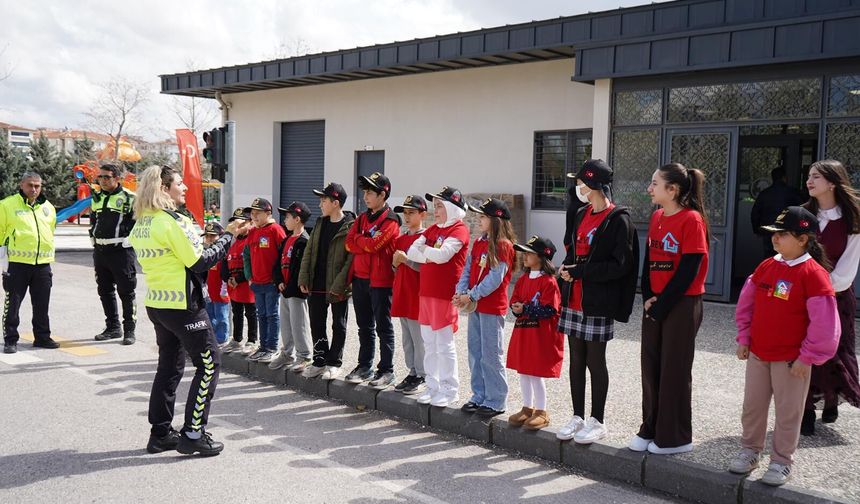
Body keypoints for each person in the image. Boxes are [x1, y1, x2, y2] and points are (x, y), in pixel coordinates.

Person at [129, 165, 240, 456]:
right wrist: (228, 237)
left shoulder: (142, 221)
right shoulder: (171, 221)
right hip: (183, 306)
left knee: (169, 367)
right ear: (164, 189)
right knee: (209, 364)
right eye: (180, 183)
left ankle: (161, 433)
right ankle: (193, 433)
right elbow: (200, 261)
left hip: (158, 304)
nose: (186, 188)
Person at [729, 206, 839, 486]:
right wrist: (744, 337)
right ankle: (750, 451)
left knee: (789, 413)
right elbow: (746, 305)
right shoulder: (767, 266)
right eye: (774, 234)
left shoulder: (813, 274)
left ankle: (781, 462)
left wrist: (808, 357)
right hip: (759, 353)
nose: (775, 239)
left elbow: (824, 324)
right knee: (752, 407)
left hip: (792, 359)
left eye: (783, 234)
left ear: (803, 239)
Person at [556, 159, 639, 444]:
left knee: (595, 361)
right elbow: (572, 250)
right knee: (576, 359)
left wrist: (580, 271)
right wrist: (566, 271)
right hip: (575, 298)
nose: (577, 187)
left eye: (580, 182)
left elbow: (620, 266)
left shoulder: (619, 219)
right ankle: (577, 416)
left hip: (597, 300)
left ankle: (597, 420)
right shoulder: (580, 213)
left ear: (591, 185)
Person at [631, 162, 710, 455]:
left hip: (681, 303)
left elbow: (689, 268)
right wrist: (648, 297)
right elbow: (650, 261)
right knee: (650, 365)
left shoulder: (692, 220)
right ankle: (650, 427)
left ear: (672, 189)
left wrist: (662, 305)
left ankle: (674, 436)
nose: (649, 189)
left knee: (674, 369)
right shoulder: (656, 217)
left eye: (655, 184)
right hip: (657, 303)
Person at [801, 159, 860, 435]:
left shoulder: (852, 219)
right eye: (809, 176)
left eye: (816, 177)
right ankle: (805, 410)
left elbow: (848, 266)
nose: (809, 181)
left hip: (837, 296)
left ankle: (831, 399)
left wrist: (822, 288)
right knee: (804, 350)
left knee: (835, 351)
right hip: (803, 297)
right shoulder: (801, 214)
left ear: (833, 182)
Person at [407, 186, 470, 407]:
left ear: (453, 208)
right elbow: (411, 252)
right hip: (426, 293)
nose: (436, 210)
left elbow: (443, 256)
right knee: (429, 343)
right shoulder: (433, 229)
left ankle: (449, 388)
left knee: (444, 344)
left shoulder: (460, 230)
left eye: (441, 206)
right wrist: (428, 253)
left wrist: (425, 251)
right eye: (435, 206)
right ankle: (432, 386)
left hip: (445, 294)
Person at [455, 198, 516, 417]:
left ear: (495, 220)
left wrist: (471, 295)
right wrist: (461, 291)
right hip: (475, 305)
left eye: (482, 216)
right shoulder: (479, 242)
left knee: (491, 354)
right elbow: (467, 269)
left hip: (491, 307)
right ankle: (479, 395)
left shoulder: (504, 246)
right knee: (475, 352)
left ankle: (496, 399)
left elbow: (495, 278)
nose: (478, 219)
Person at [344, 172, 401, 389]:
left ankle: (386, 370)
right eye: (365, 192)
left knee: (383, 327)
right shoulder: (361, 218)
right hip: (359, 279)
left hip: (380, 281)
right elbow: (348, 243)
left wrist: (362, 242)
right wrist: (363, 241)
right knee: (364, 326)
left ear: (382, 194)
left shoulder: (391, 220)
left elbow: (374, 246)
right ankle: (364, 366)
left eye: (370, 192)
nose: (365, 196)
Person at [298, 183, 355, 381]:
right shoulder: (320, 223)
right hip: (317, 283)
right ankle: (319, 359)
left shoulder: (350, 226)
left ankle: (334, 362)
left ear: (336, 202)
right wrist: (303, 277)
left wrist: (339, 284)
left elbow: (351, 260)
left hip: (338, 285)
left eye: (324, 200)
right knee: (317, 322)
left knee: (338, 324)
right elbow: (309, 252)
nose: (320, 203)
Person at [506, 236, 562, 430]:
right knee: (523, 371)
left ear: (542, 256)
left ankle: (541, 411)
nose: (525, 256)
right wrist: (516, 307)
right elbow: (515, 300)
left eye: (529, 253)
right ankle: (527, 408)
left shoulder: (549, 282)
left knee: (535, 373)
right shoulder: (522, 279)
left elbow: (550, 309)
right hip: (524, 332)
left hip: (539, 334)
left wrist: (526, 309)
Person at [1, 172, 59, 354]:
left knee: (42, 304)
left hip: (43, 264)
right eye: (30, 185)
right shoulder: (7, 205)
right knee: (13, 304)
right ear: (21, 185)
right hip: (18, 264)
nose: (34, 189)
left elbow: (50, 230)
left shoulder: (48, 207)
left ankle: (42, 337)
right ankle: (10, 339)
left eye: (37, 186)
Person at [90, 163, 138, 345]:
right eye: (100, 177)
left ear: (117, 178)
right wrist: (92, 236)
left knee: (127, 292)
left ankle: (129, 330)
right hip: (101, 251)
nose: (102, 181)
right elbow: (94, 220)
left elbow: (138, 222)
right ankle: (112, 327)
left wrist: (129, 238)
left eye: (106, 177)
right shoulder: (96, 197)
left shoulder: (129, 197)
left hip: (121, 252)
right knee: (105, 291)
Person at [270, 201, 313, 373]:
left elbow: (302, 268)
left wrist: (291, 286)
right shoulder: (287, 239)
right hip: (284, 290)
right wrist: (279, 280)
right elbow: (278, 263)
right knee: (286, 323)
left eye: (287, 217)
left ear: (297, 219)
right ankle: (287, 353)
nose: (285, 220)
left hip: (295, 291)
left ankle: (304, 355)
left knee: (299, 323)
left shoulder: (304, 241)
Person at [391, 195, 428, 395]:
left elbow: (426, 268)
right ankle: (412, 371)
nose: (407, 216)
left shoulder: (425, 239)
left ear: (422, 214)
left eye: (411, 212)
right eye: (405, 213)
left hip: (416, 293)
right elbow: (396, 267)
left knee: (418, 336)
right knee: (407, 337)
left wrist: (406, 261)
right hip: (402, 291)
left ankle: (422, 374)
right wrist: (396, 264)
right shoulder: (401, 238)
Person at [244, 198, 286, 363]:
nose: (253, 216)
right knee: (261, 314)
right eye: (252, 213)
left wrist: (280, 278)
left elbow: (284, 255)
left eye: (257, 213)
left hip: (271, 282)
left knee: (272, 314)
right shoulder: (253, 231)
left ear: (268, 213)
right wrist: (249, 277)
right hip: (257, 282)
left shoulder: (275, 230)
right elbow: (246, 255)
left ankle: (272, 347)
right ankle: (263, 346)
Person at [221, 208, 257, 355]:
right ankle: (236, 339)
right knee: (236, 312)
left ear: (250, 223)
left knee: (251, 313)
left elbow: (253, 264)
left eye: (242, 224)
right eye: (236, 224)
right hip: (233, 285)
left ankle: (252, 340)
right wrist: (228, 278)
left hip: (246, 284)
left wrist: (238, 279)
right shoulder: (233, 242)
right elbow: (225, 261)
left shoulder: (251, 240)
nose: (238, 227)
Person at [751, 167, 804, 257]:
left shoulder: (765, 193)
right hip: (787, 230)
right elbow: (802, 211)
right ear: (784, 177)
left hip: (768, 231)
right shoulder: (793, 193)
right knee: (787, 257)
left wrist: (757, 230)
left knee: (770, 258)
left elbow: (755, 214)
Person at [203, 221, 230, 345]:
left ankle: (221, 339)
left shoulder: (223, 254)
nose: (209, 239)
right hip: (209, 292)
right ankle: (212, 338)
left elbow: (226, 274)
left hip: (220, 292)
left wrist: (225, 289)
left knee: (221, 317)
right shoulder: (204, 253)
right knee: (209, 317)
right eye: (207, 236)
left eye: (213, 236)